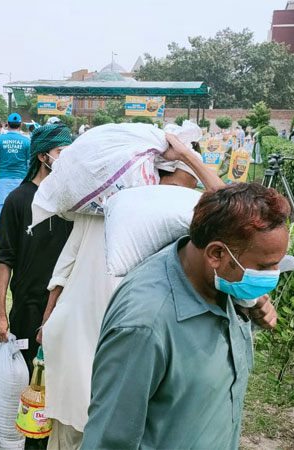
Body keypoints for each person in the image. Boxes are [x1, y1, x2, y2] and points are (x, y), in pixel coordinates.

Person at [37, 135, 228, 449]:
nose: (188, 192)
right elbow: (228, 199)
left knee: (81, 427)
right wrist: (48, 319)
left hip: (100, 338)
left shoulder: (148, 213)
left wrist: (49, 319)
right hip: (92, 336)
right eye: (184, 182)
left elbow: (63, 269)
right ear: (157, 176)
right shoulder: (144, 209)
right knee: (84, 426)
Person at [81, 182, 288, 450]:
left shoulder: (225, 286)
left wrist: (250, 309)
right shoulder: (145, 326)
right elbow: (108, 440)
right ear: (216, 254)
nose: (274, 274)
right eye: (264, 266)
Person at [0, 124, 74, 377]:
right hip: (28, 305)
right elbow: (5, 261)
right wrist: (0, 314)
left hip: (66, 302)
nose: (67, 159)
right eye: (61, 152)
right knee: (28, 374)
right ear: (43, 156)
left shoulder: (73, 201)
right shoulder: (18, 200)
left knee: (60, 373)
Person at [0, 113, 30, 223]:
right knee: (20, 212)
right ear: (20, 124)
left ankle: (2, 237)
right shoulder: (26, 141)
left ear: (7, 124)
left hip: (3, 180)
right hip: (21, 181)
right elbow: (29, 163)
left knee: (2, 211)